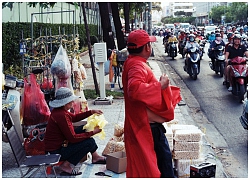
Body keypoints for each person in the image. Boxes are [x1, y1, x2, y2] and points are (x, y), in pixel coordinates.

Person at [122, 30, 181, 178]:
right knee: (163, 169)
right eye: (150, 44)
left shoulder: (134, 62)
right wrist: (160, 86)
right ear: (147, 47)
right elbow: (134, 90)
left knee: (149, 167)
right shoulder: (137, 66)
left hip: (143, 125)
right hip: (148, 129)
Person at [44, 87, 106, 176]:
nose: (73, 103)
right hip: (55, 152)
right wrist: (92, 133)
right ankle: (66, 165)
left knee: (85, 128)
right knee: (88, 142)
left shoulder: (61, 111)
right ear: (65, 103)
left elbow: (74, 118)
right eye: (71, 101)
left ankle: (95, 156)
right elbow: (73, 138)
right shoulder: (61, 115)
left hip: (61, 145)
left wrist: (91, 112)